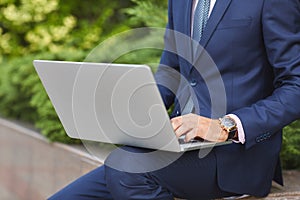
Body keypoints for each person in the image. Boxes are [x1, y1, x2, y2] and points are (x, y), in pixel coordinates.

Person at [49, 0, 300, 199]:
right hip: (178, 144)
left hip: (236, 156)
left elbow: (296, 86)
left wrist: (225, 126)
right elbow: (174, 67)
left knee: (125, 169)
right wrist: (140, 107)